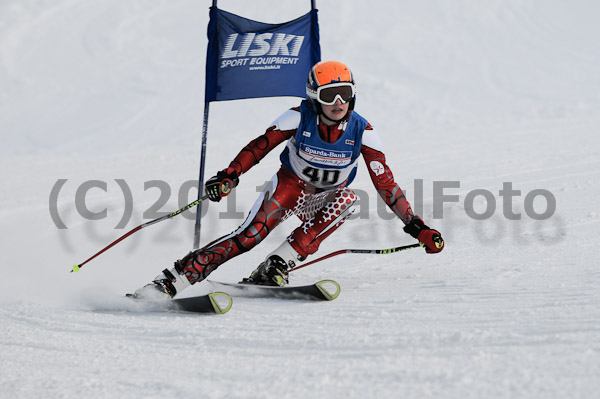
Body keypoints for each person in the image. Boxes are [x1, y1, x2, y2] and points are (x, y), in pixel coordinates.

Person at [133, 60, 444, 299]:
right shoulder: (298, 116)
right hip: (288, 188)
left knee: (349, 200)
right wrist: (230, 175)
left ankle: (276, 265)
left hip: (325, 198)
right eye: (329, 95)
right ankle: (172, 280)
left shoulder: (364, 131)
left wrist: (417, 226)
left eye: (345, 93)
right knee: (249, 236)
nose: (339, 102)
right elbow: (260, 146)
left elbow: (386, 184)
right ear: (314, 97)